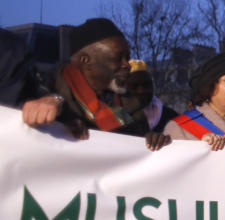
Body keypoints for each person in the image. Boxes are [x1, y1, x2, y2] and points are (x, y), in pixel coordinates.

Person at [43, 18, 168, 150]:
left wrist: (154, 141)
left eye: (127, 57)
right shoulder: (46, 98)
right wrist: (60, 127)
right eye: (117, 58)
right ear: (86, 60)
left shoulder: (133, 107)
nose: (127, 65)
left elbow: (136, 154)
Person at [121, 60, 179, 133]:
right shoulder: (115, 118)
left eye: (146, 85)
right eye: (134, 86)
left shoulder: (170, 116)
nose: (141, 91)